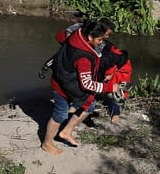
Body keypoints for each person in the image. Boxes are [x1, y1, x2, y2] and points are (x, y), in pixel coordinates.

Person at [40, 19, 118, 155]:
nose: (102, 42)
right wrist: (109, 87)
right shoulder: (84, 58)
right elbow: (86, 84)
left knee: (89, 106)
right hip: (62, 86)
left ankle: (65, 132)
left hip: (67, 81)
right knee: (60, 114)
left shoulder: (77, 34)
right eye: (100, 39)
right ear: (90, 37)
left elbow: (60, 37)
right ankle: (47, 143)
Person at [97, 39, 132, 125]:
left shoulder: (116, 62)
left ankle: (116, 114)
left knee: (114, 98)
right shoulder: (118, 57)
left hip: (114, 86)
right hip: (112, 84)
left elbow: (107, 75)